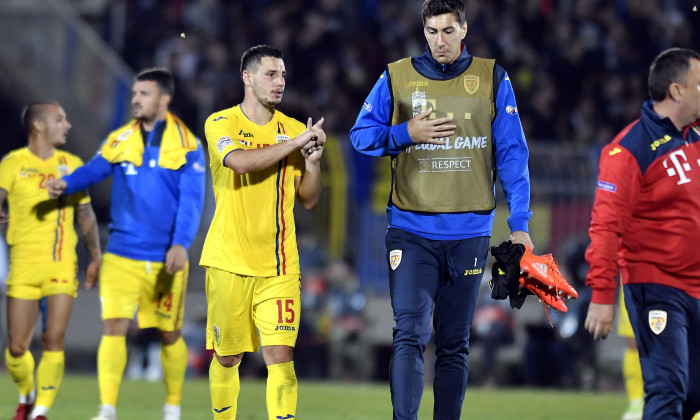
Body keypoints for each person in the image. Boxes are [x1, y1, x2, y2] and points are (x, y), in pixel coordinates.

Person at [349, 0, 533, 418]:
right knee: (409, 333)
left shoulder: (492, 77)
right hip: (411, 232)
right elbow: (360, 136)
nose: (439, 41)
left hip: (469, 234)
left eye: (448, 31)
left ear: (464, 30)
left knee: (454, 343)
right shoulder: (397, 75)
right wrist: (404, 132)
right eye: (432, 32)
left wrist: (519, 224)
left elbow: (512, 156)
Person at [45, 68, 206, 420]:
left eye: (144, 94)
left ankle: (172, 406)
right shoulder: (120, 138)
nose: (135, 99)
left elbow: (192, 202)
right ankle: (107, 408)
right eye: (134, 93)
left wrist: (181, 244)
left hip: (165, 258)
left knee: (169, 333)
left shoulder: (189, 145)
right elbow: (94, 169)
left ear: (164, 99)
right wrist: (66, 184)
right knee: (113, 327)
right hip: (120, 253)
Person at [199, 44, 325, 420]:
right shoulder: (220, 123)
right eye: (271, 74)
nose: (279, 82)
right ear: (247, 77)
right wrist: (294, 144)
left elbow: (308, 200)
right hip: (228, 261)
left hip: (280, 264)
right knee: (228, 355)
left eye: (283, 75)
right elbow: (238, 162)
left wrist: (313, 164)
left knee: (280, 355)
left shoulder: (293, 129)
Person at [584, 47, 700, 420]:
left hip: (697, 286)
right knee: (667, 389)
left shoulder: (693, 138)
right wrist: (602, 295)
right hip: (657, 286)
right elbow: (605, 226)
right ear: (677, 91)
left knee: (692, 393)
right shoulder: (627, 152)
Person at [1, 102, 102, 420]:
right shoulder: (13, 163)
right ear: (39, 126)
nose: (68, 125)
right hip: (23, 266)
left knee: (53, 338)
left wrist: (96, 256)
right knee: (17, 348)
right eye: (60, 119)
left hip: (61, 265)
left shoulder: (71, 164)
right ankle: (28, 393)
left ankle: (40, 411)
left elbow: (84, 212)